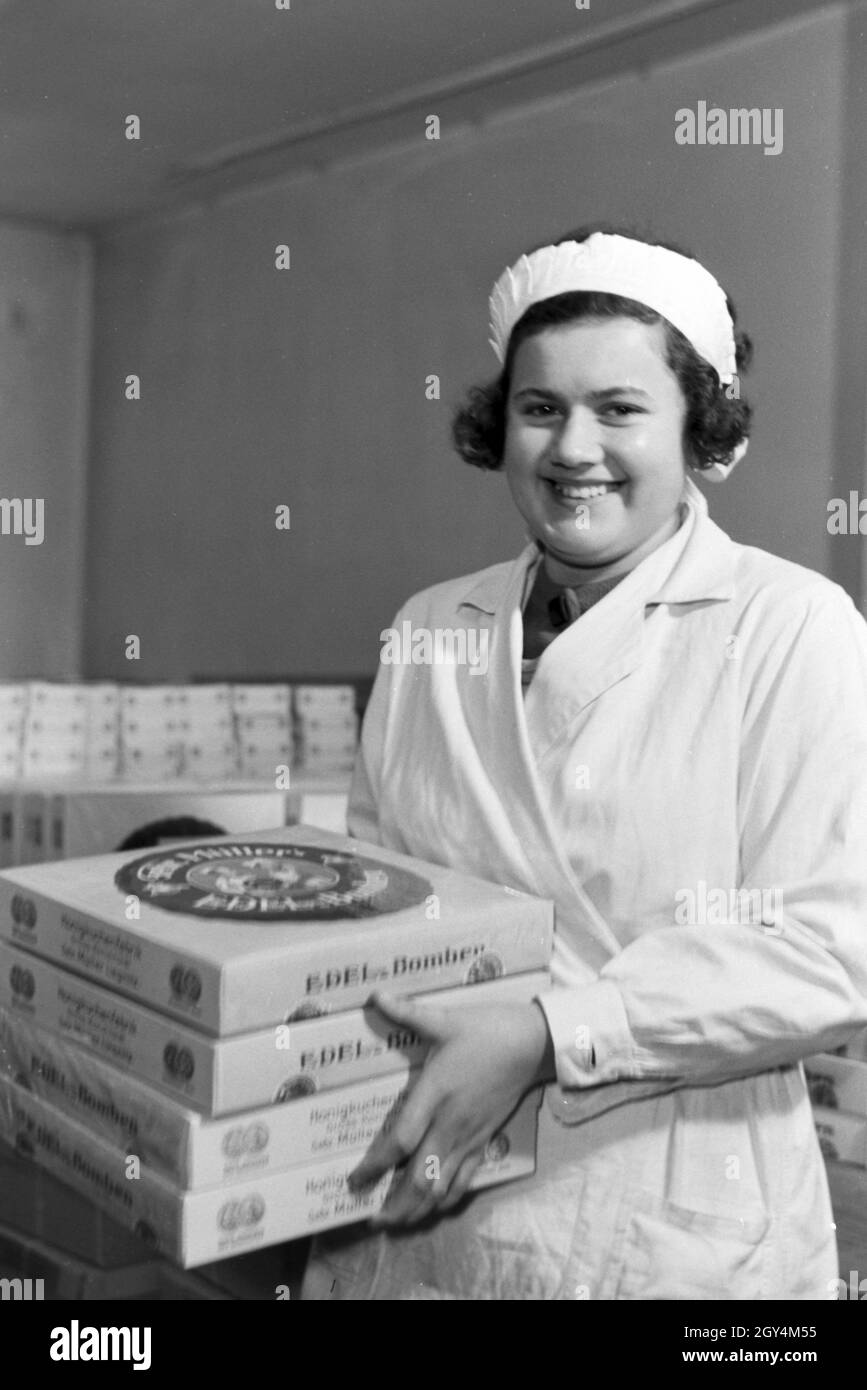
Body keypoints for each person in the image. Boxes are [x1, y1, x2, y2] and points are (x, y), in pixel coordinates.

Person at [301, 224, 867, 1300]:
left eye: (620, 408)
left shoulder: (792, 626)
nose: (573, 447)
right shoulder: (431, 626)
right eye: (540, 407)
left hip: (669, 1233)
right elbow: (374, 885)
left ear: (698, 427)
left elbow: (832, 954)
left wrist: (548, 1033)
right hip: (434, 1198)